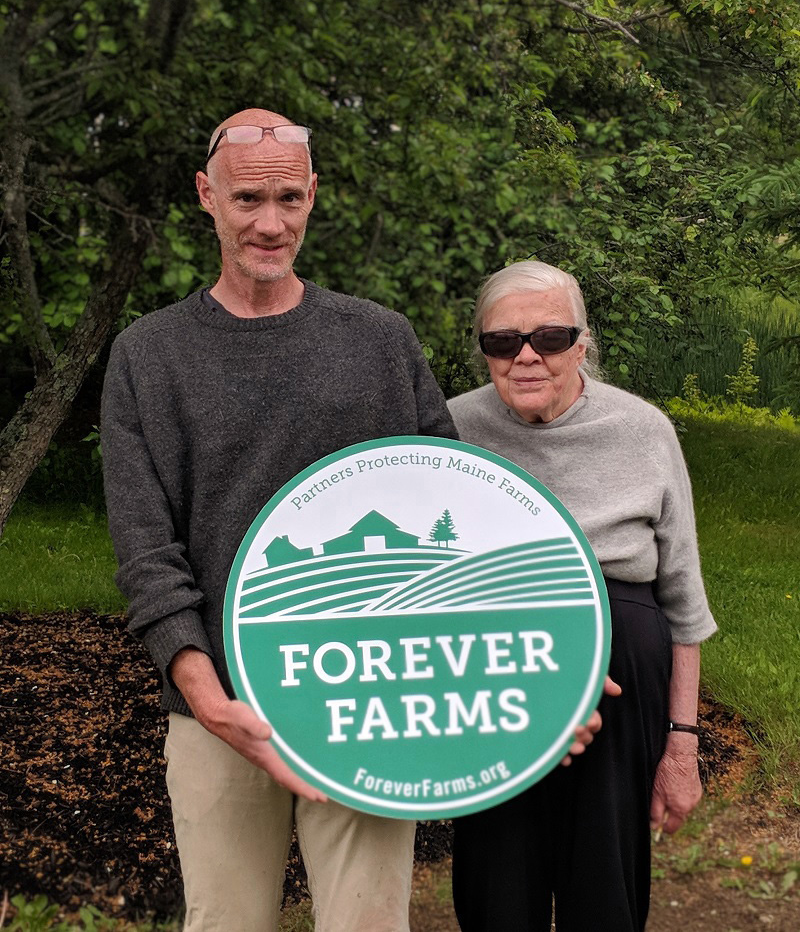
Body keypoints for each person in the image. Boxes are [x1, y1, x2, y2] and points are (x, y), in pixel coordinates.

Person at [100, 108, 462, 932]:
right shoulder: (148, 355)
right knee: (225, 921)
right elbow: (147, 550)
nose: (271, 224)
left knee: (369, 924)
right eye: (248, 200)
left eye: (290, 199)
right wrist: (202, 689)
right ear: (207, 195)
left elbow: (452, 503)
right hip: (218, 709)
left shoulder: (379, 341)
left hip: (368, 697)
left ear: (313, 196)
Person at [446, 260, 717, 932]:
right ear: (484, 350)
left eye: (551, 337)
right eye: (503, 342)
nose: (528, 356)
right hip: (492, 680)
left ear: (583, 343)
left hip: (623, 683)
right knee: (495, 884)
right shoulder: (448, 429)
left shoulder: (643, 430)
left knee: (605, 891)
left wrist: (681, 750)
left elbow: (685, 605)